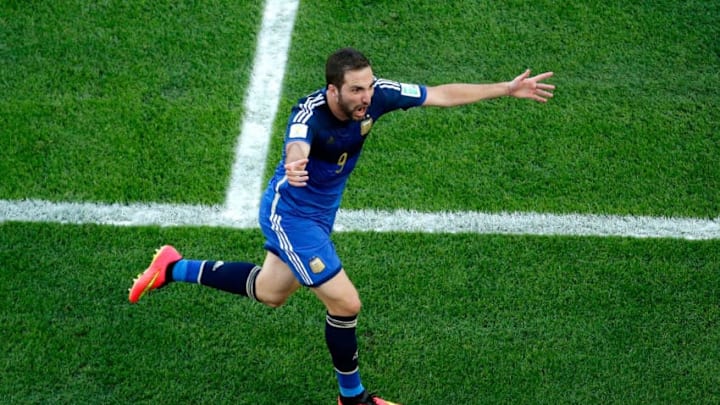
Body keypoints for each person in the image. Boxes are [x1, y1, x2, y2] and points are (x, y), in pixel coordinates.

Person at [129, 47, 555, 405]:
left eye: (368, 86)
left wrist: (506, 89)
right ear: (333, 89)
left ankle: (171, 267)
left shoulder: (378, 96)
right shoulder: (309, 113)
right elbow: (297, 140)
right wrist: (295, 163)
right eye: (356, 89)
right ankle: (352, 398)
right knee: (346, 303)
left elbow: (439, 94)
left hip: (318, 216)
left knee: (271, 292)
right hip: (290, 216)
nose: (366, 96)